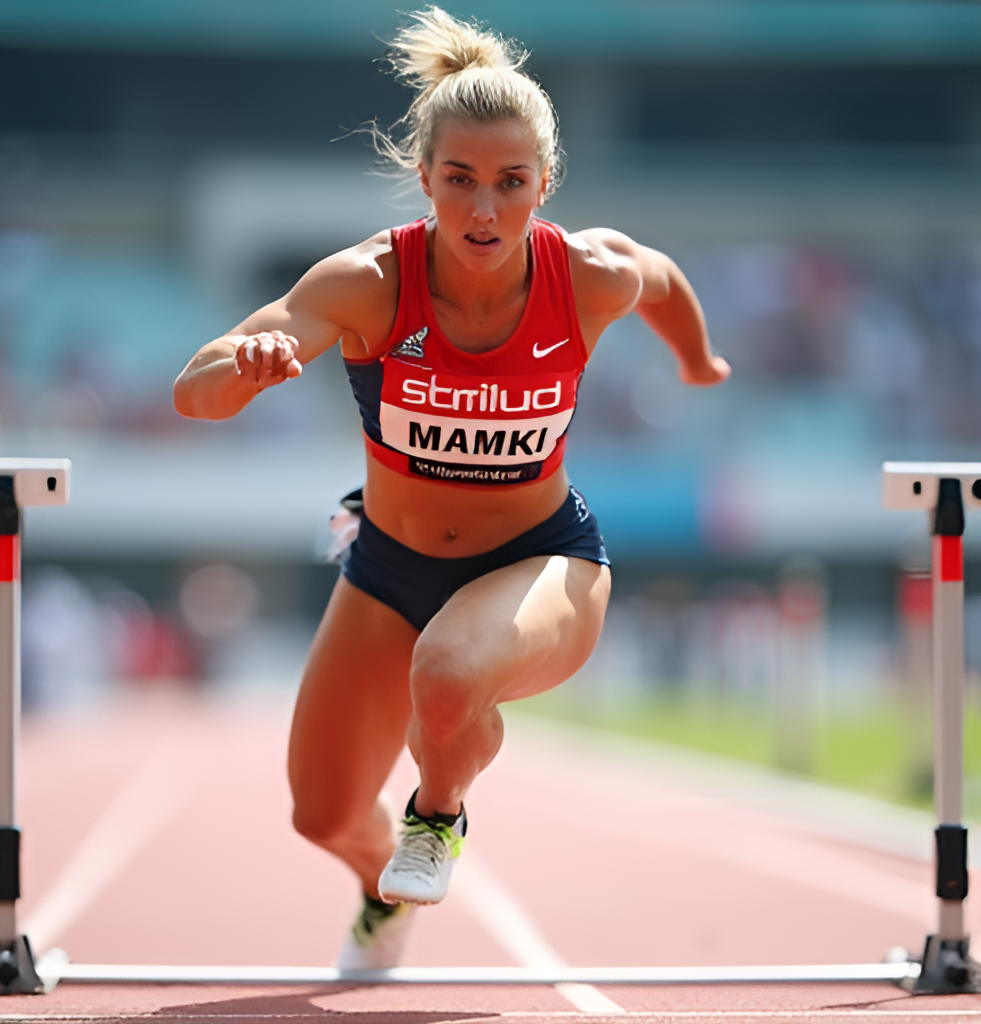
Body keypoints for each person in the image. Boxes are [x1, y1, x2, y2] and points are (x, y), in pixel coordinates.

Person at [173, 6, 730, 970]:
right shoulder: (367, 283)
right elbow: (196, 392)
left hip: (544, 562)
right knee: (323, 814)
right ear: (425, 178)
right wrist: (249, 364)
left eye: (511, 185)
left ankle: (440, 814)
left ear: (543, 186)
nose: (483, 210)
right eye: (461, 181)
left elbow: (665, 279)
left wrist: (698, 359)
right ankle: (386, 885)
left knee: (448, 673)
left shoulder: (587, 274)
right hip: (387, 570)